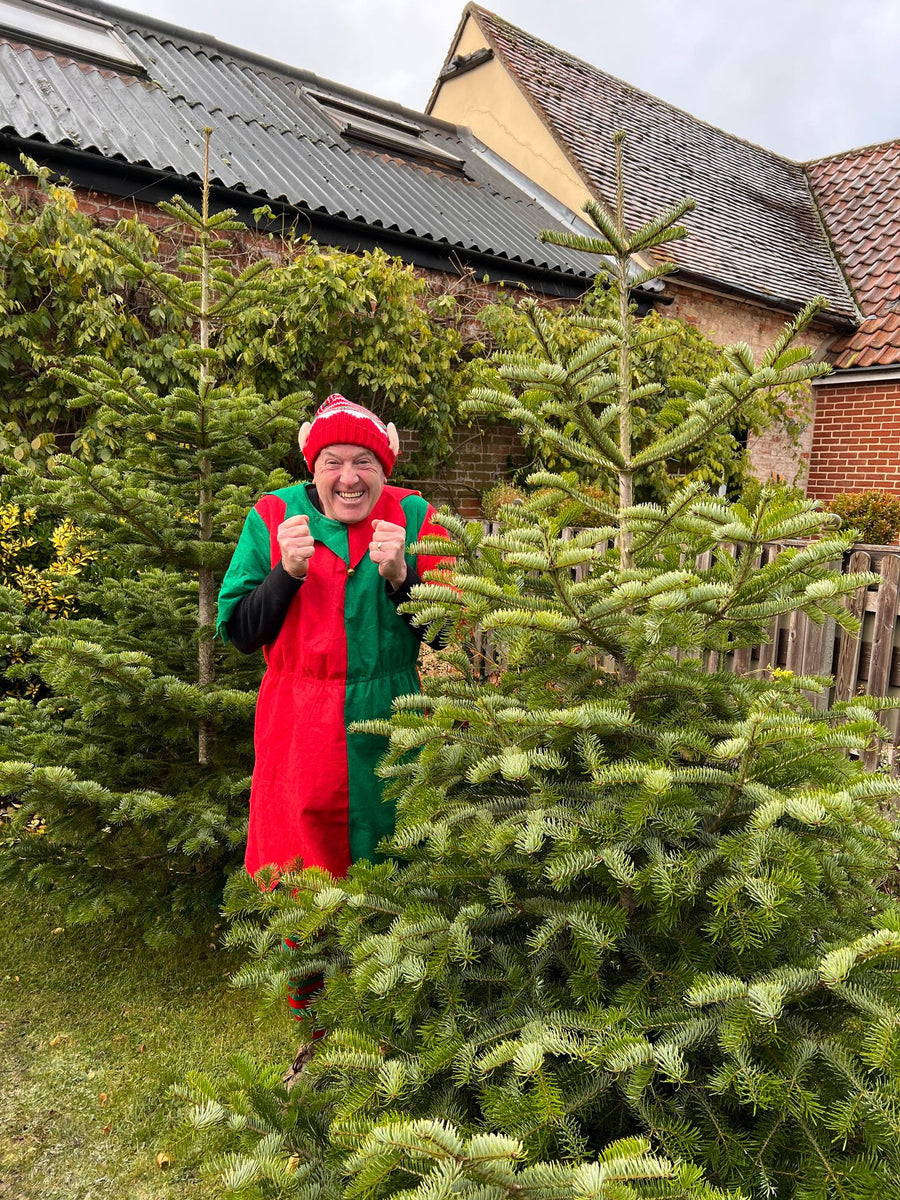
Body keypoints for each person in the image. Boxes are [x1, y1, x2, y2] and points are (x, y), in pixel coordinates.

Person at [217, 393, 449, 890]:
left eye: (364, 462)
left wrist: (402, 578)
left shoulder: (414, 515)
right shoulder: (273, 514)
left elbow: (446, 632)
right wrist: (286, 573)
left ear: (384, 466)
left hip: (392, 717)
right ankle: (304, 944)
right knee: (299, 871)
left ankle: (395, 942)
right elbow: (241, 632)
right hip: (297, 723)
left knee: (396, 861)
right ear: (313, 465)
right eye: (333, 462)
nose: (349, 478)